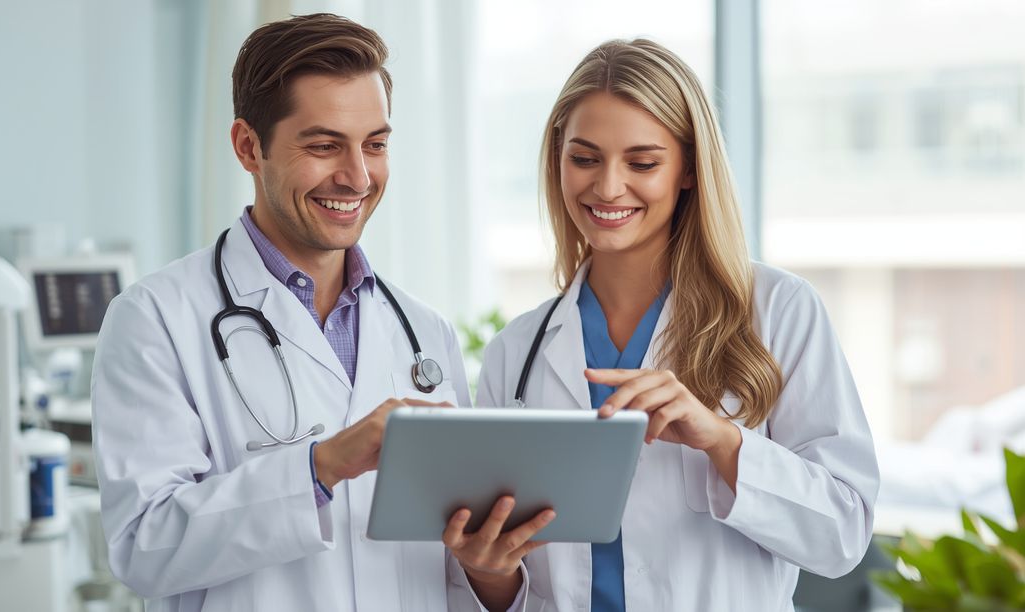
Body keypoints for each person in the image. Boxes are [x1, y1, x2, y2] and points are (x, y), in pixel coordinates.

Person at [91, 13, 529, 611]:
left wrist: (489, 573)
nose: (357, 176)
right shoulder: (154, 319)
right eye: (324, 146)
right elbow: (146, 545)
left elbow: (450, 578)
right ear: (249, 147)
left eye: (374, 144)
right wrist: (320, 468)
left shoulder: (423, 332)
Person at [468, 39, 880, 611]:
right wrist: (488, 574)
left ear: (688, 170)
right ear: (557, 160)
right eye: (584, 158)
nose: (608, 187)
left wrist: (720, 439)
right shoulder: (518, 352)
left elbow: (843, 534)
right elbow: (514, 586)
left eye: (642, 163)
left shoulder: (777, 310)